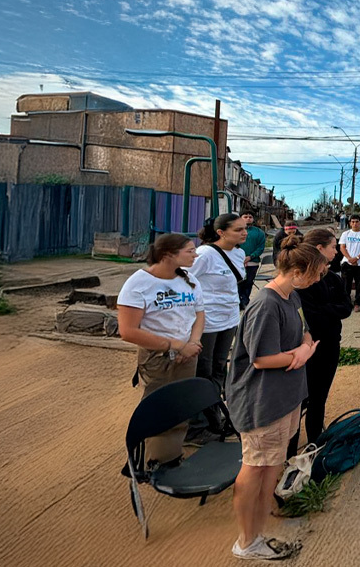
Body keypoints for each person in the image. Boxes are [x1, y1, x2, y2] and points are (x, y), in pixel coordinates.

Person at [226, 239, 324, 561]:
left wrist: (305, 347)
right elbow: (262, 359)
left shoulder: (291, 295)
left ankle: (258, 531)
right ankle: (246, 539)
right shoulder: (266, 305)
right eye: (315, 273)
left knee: (271, 465)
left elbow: (305, 331)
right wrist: (299, 354)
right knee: (255, 467)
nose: (318, 279)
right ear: (297, 272)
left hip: (285, 398)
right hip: (262, 402)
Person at [116, 233, 206, 466]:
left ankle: (171, 456)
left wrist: (194, 343)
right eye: (189, 251)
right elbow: (128, 331)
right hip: (157, 357)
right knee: (157, 407)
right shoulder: (139, 284)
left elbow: (199, 313)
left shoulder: (189, 279)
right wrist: (175, 346)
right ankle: (150, 460)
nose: (196, 254)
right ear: (168, 255)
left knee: (180, 406)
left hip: (188, 353)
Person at [288, 229, 353, 453]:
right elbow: (311, 317)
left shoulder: (333, 278)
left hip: (330, 345)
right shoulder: (300, 282)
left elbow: (346, 308)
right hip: (306, 350)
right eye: (333, 246)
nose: (337, 251)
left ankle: (315, 443)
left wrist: (327, 310)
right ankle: (290, 451)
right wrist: (330, 311)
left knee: (320, 398)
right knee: (299, 402)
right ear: (319, 249)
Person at [186, 213, 248, 443]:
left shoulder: (239, 253)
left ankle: (215, 419)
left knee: (219, 370)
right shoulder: (205, 254)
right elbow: (184, 280)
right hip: (207, 323)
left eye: (245, 228)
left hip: (229, 319)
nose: (244, 233)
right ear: (221, 232)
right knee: (202, 372)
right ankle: (195, 427)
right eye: (238, 230)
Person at [337, 214, 360, 311]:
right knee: (346, 285)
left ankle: (357, 303)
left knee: (359, 285)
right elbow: (342, 247)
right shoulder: (345, 234)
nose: (355, 224)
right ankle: (347, 303)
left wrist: (357, 258)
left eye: (357, 222)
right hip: (347, 263)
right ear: (350, 223)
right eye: (352, 222)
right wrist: (349, 258)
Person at [240, 209, 267, 309]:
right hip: (237, 262)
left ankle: (245, 301)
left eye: (250, 217)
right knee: (238, 283)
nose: (248, 219)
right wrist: (240, 258)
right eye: (245, 217)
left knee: (249, 283)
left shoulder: (259, 232)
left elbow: (261, 247)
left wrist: (250, 257)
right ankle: (238, 301)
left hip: (253, 262)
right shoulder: (235, 231)